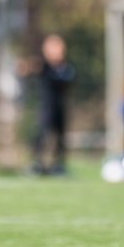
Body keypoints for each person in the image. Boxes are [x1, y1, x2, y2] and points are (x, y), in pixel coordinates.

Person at [32, 33, 75, 176]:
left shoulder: (66, 67)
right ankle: (38, 164)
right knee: (43, 135)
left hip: (60, 107)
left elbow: (69, 81)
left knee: (60, 136)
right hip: (46, 107)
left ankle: (59, 165)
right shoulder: (43, 66)